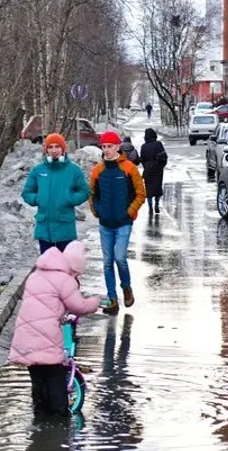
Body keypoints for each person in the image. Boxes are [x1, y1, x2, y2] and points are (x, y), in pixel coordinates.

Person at [8, 241, 100, 416]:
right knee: (54, 376)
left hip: (25, 335)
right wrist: (95, 302)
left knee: (37, 377)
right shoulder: (64, 280)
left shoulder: (35, 275)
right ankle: (59, 419)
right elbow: (78, 305)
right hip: (46, 336)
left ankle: (40, 415)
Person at [89, 131, 145, 315]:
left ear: (118, 147)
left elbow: (140, 193)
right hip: (105, 224)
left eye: (110, 146)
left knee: (120, 258)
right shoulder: (98, 170)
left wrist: (129, 211)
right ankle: (112, 298)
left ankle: (126, 287)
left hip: (123, 223)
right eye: (104, 147)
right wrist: (97, 210)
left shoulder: (129, 168)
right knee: (107, 262)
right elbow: (92, 194)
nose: (106, 150)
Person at [22, 133, 91, 254]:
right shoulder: (38, 170)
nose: (54, 150)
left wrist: (70, 199)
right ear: (46, 150)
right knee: (47, 267)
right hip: (44, 228)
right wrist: (38, 199)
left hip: (65, 227)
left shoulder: (73, 170)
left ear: (63, 148)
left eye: (57, 146)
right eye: (50, 147)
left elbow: (85, 191)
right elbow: (27, 193)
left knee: (64, 267)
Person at [138, 128, 168, 214]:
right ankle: (157, 204)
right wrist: (161, 166)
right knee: (157, 187)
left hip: (148, 170)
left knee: (149, 189)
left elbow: (143, 159)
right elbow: (164, 156)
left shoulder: (143, 146)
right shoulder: (158, 144)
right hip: (158, 169)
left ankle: (150, 206)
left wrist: (147, 166)